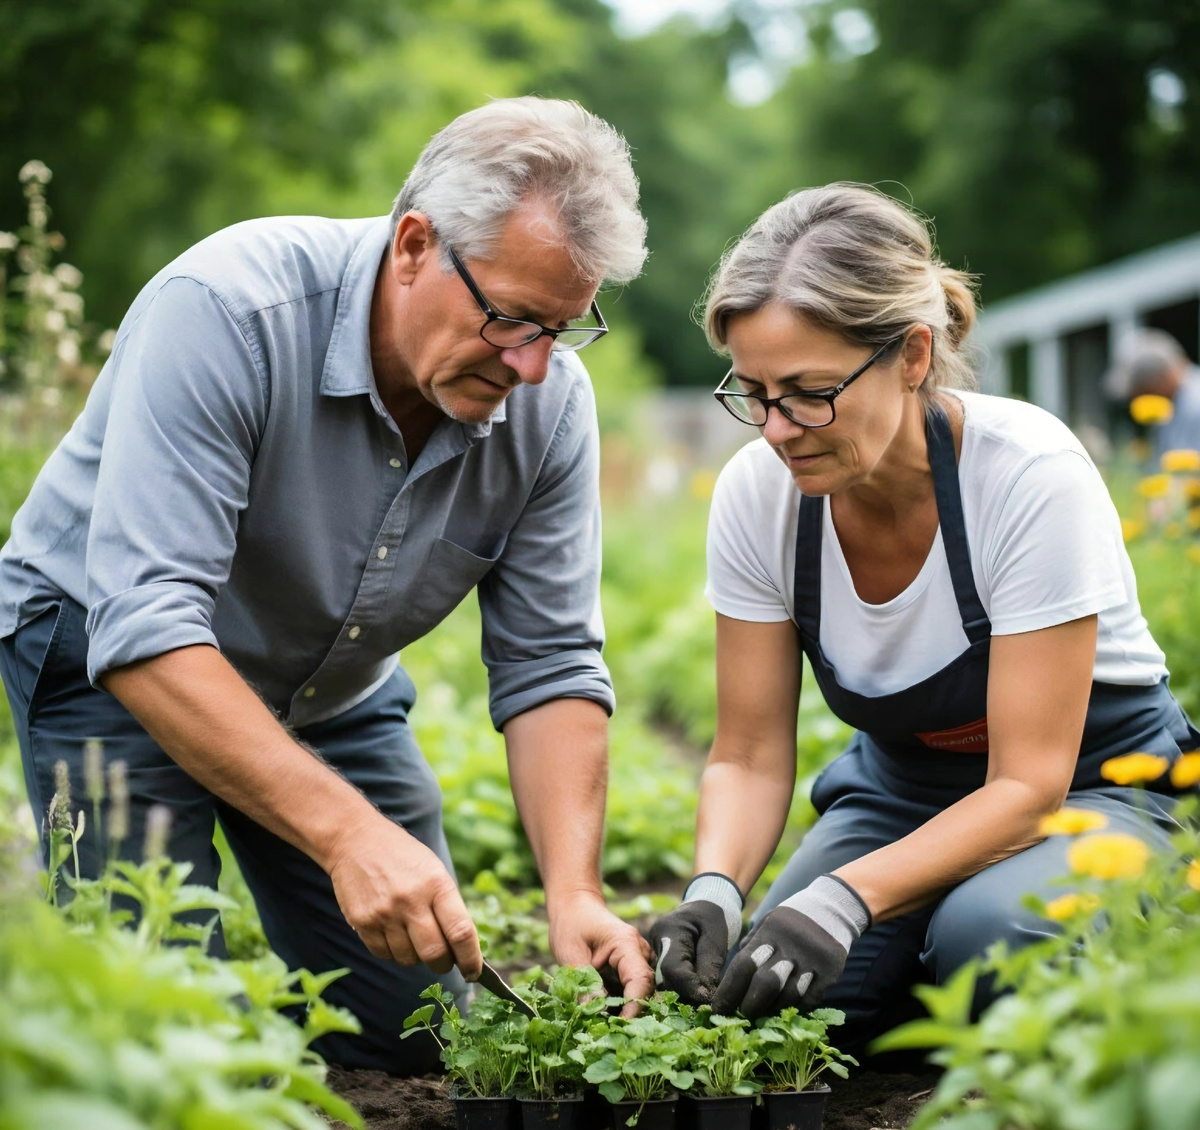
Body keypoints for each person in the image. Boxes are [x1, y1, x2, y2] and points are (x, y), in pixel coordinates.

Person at [0, 96, 655, 1073]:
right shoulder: (228, 310)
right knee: (162, 1031)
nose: (530, 365)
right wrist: (347, 831)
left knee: (420, 1023)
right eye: (511, 318)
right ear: (413, 245)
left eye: (563, 327)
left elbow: (552, 657)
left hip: (327, 678)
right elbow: (144, 620)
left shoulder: (549, 406)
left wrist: (574, 890)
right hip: (115, 664)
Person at [648, 184, 1198, 1055]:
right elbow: (748, 754)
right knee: (779, 1003)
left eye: (809, 392)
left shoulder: (1025, 476)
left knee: (996, 942)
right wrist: (715, 890)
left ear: (911, 354)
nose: (778, 430)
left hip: (1090, 790)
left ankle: (1134, 921)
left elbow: (1027, 787)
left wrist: (843, 899)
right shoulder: (761, 495)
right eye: (752, 393)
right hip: (901, 795)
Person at [1106, 328, 1200, 461]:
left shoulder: (1195, 403)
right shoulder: (1172, 405)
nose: (1140, 401)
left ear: (1163, 378)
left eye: (1144, 392)